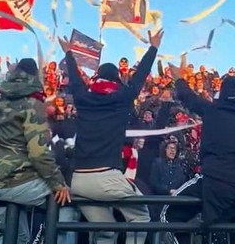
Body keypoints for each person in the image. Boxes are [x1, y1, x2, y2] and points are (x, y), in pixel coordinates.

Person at [59, 29, 164, 244]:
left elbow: (76, 81)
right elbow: (138, 78)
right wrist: (153, 48)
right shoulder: (121, 97)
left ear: (97, 78)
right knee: (141, 216)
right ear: (117, 79)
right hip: (106, 177)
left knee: (105, 231)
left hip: (78, 180)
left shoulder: (83, 97)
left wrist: (69, 54)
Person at [163, 56, 235, 241]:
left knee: (167, 214)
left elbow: (188, 97)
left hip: (215, 181)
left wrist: (179, 79)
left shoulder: (212, 110)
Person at [0, 58, 72, 244]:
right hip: (17, 183)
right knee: (67, 202)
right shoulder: (33, 105)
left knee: (20, 237)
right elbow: (38, 153)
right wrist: (58, 182)